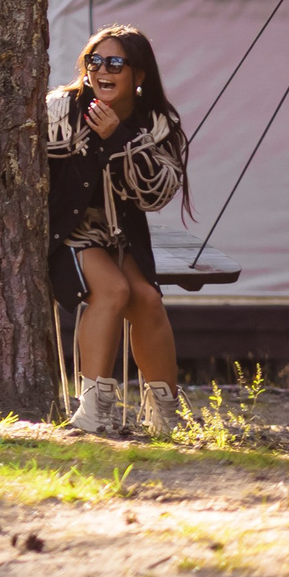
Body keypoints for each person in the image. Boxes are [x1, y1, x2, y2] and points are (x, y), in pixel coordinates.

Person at [48, 24, 190, 438]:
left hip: (121, 231)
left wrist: (118, 138)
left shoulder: (156, 123)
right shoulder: (61, 110)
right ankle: (93, 412)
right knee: (113, 291)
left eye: (114, 62)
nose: (101, 70)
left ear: (139, 76)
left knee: (146, 297)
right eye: (94, 61)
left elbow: (155, 195)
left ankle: (165, 416)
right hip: (66, 229)